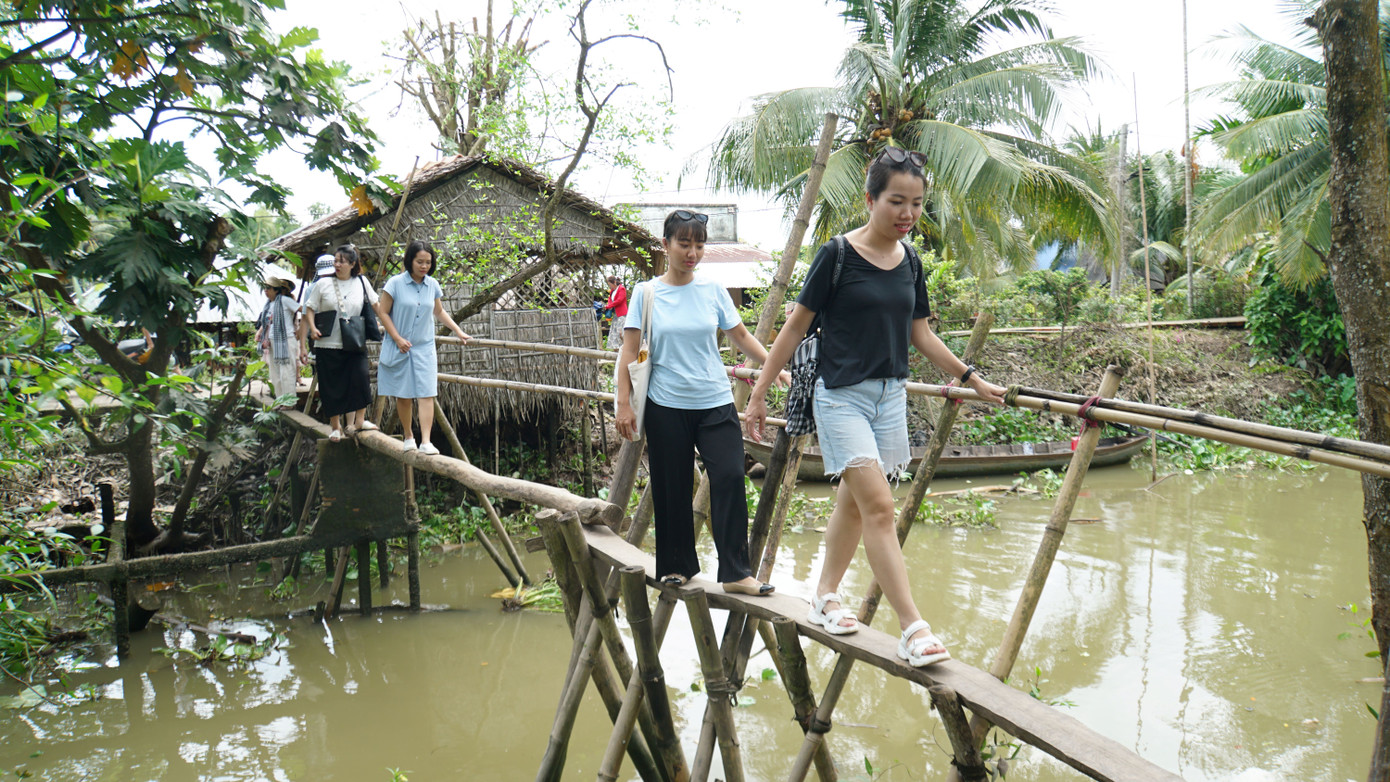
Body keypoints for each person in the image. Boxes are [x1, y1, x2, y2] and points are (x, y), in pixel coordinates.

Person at [744, 148, 1006, 667]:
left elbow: (920, 334)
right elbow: (795, 328)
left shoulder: (910, 261)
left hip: (890, 398)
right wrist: (758, 393)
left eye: (917, 203)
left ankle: (825, 595)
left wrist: (970, 378)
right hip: (839, 397)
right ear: (870, 199)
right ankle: (913, 627)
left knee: (852, 501)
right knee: (881, 509)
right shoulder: (836, 254)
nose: (907, 213)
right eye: (896, 201)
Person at [614, 209, 786, 597]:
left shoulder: (712, 290)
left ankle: (737, 573)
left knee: (728, 475)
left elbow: (740, 335)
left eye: (699, 245)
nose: (692, 252)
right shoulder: (646, 292)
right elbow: (628, 352)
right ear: (666, 245)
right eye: (684, 243)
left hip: (714, 401)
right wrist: (623, 403)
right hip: (665, 404)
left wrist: (774, 367)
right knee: (671, 486)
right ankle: (675, 567)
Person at [376, 240, 472, 455]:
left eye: (428, 262)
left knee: (427, 392)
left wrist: (458, 330)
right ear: (410, 260)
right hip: (401, 345)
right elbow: (382, 312)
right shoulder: (395, 283)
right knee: (404, 393)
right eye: (420, 261)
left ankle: (426, 441)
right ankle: (409, 435)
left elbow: (439, 312)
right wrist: (397, 337)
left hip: (424, 346)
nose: (424, 266)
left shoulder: (433, 285)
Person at [300, 244, 384, 442]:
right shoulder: (322, 284)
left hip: (353, 340)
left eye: (341, 261)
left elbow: (376, 305)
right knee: (331, 386)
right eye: (336, 260)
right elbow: (309, 308)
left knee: (360, 378)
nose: (337, 264)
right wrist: (312, 328)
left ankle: (360, 420)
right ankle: (335, 427)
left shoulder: (362, 282)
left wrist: (390, 325)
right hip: (327, 342)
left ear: (352, 264)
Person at [255, 276, 301, 402]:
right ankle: (280, 399)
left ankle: (289, 401)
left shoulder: (285, 301)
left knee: (287, 372)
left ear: (276, 290)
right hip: (273, 340)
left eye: (269, 288)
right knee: (275, 373)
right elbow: (269, 322)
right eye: (265, 288)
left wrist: (301, 330)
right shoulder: (269, 305)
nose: (266, 290)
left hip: (286, 339)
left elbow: (303, 310)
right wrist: (262, 334)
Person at [603, 275, 628, 349]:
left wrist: (609, 306)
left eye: (610, 284)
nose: (609, 286)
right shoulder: (612, 291)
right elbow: (610, 299)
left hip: (622, 314)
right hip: (616, 314)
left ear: (614, 282)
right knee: (614, 333)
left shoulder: (621, 289)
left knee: (620, 332)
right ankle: (616, 351)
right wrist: (609, 304)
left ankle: (624, 348)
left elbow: (619, 300)